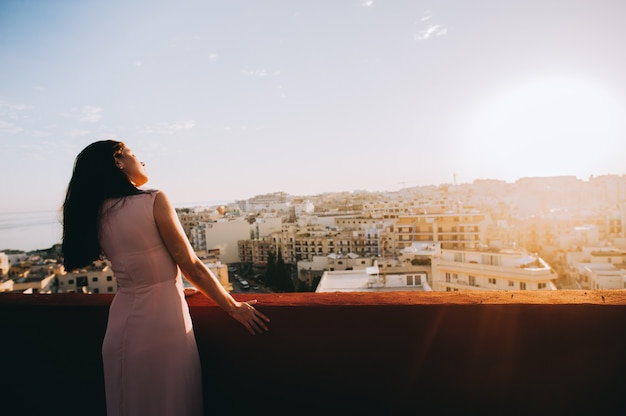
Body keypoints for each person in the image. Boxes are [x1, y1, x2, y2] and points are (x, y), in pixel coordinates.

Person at [61, 140, 270, 416]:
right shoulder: (153, 199)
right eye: (134, 154)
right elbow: (189, 264)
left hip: (119, 329)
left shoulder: (96, 213)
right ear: (118, 161)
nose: (143, 161)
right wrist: (232, 306)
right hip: (163, 326)